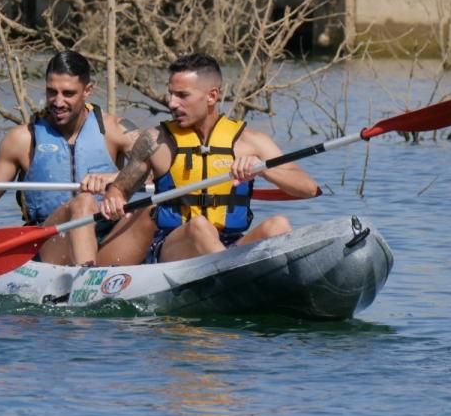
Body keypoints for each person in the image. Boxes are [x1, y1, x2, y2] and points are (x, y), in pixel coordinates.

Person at [98, 52, 320, 263]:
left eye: (182, 95)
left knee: (278, 225)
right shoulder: (155, 141)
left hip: (229, 246)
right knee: (200, 226)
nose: (172, 103)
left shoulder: (251, 142)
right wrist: (114, 197)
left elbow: (308, 188)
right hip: (174, 247)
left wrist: (262, 168)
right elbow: (120, 189)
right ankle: (232, 279)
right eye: (171, 94)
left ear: (212, 96)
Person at [0, 50, 155, 266]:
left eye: (68, 93)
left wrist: (117, 178)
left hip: (107, 240)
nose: (58, 102)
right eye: (51, 92)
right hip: (48, 244)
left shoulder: (115, 129)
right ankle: (85, 285)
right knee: (83, 202)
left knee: (153, 208)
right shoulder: (21, 139)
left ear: (87, 90)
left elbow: (158, 175)